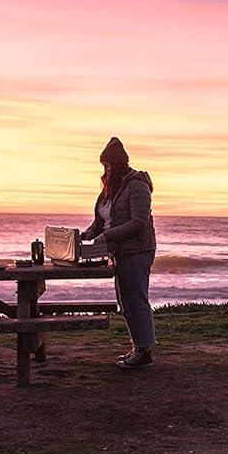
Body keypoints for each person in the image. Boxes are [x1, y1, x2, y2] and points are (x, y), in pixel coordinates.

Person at [81, 136, 157, 369]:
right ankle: (138, 346)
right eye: (104, 166)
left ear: (118, 164)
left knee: (137, 300)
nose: (106, 170)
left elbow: (138, 222)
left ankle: (144, 351)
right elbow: (100, 222)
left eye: (108, 165)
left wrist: (108, 236)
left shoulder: (137, 185)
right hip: (119, 252)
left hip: (138, 251)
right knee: (125, 301)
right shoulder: (109, 191)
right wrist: (84, 235)